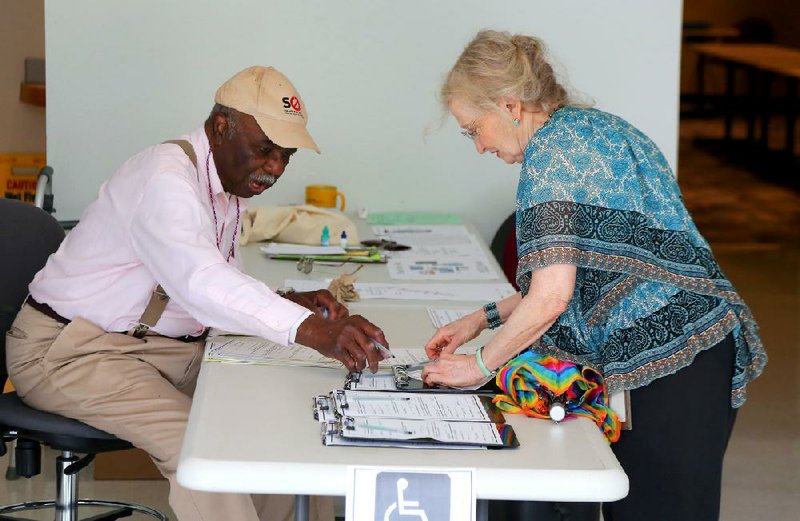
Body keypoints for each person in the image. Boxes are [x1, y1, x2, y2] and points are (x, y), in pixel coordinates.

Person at [5, 65, 389, 521]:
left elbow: (216, 283)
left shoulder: (223, 186)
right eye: (265, 149)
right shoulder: (165, 178)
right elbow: (199, 281)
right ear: (222, 127)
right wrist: (309, 329)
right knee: (201, 448)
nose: (275, 168)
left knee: (283, 416)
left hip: (152, 347)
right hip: (70, 352)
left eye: (287, 155)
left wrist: (290, 301)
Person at [422, 30, 767, 521]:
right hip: (699, 349)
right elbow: (592, 272)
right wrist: (482, 318)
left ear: (510, 105)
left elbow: (553, 297)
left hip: (671, 364)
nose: (479, 147)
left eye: (474, 128)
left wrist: (479, 364)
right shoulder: (593, 128)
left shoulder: (552, 156)